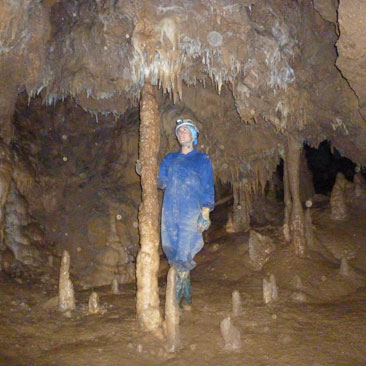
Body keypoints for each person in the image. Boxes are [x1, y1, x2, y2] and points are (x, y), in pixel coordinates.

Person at [158, 119, 214, 309]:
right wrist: (146, 170)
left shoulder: (202, 160)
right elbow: (160, 182)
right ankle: (187, 296)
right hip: (169, 212)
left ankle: (175, 301)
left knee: (184, 252)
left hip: (190, 211)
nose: (182, 133)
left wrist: (205, 213)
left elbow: (207, 187)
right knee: (173, 253)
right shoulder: (169, 159)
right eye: (179, 131)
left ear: (194, 135)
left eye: (186, 130)